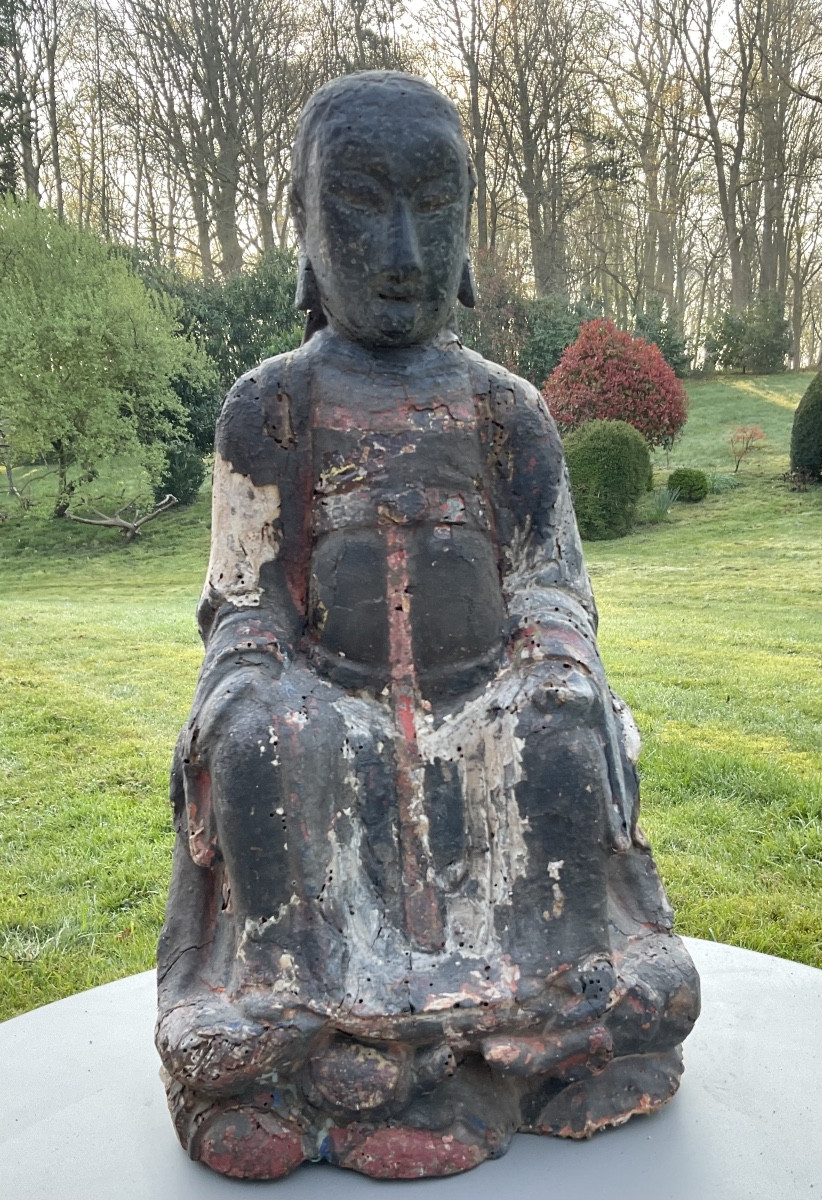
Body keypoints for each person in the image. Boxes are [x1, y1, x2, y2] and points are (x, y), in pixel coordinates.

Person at [156, 71, 699, 1181]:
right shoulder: (273, 405)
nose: (401, 244)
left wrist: (549, 654)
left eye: (433, 201)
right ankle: (282, 1006)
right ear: (302, 215)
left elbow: (553, 580)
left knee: (558, 720)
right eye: (359, 199)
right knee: (259, 736)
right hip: (326, 697)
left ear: (465, 218)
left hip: (489, 697)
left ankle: (545, 997)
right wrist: (255, 673)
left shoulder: (509, 408)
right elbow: (244, 593)